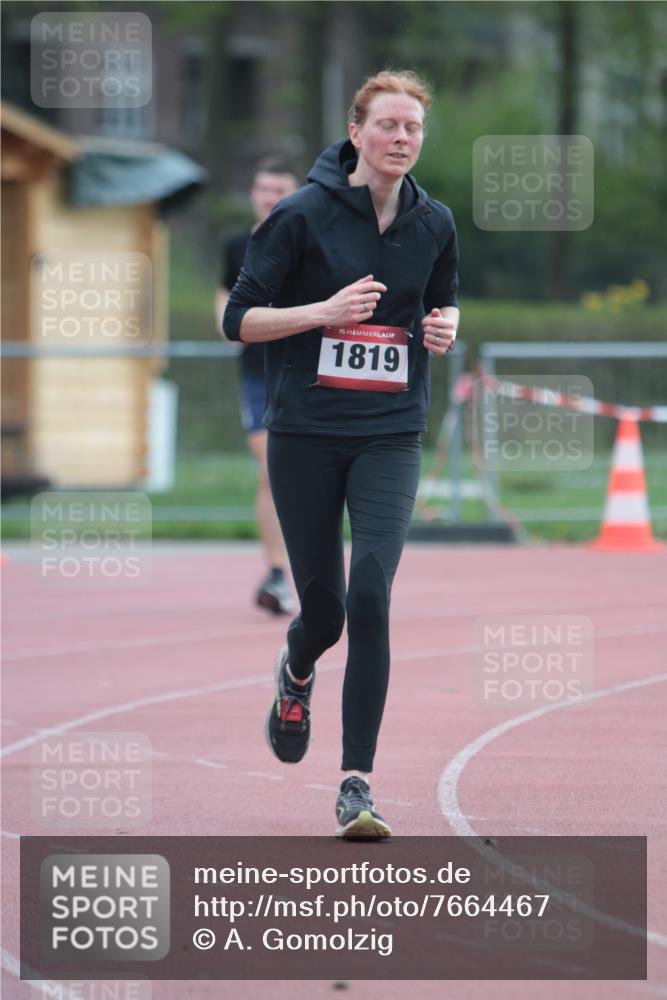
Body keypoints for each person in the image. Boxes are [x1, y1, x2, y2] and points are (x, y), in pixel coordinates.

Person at [224, 71, 459, 839]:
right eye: (388, 125)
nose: (401, 139)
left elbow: (443, 299)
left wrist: (443, 327)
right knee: (322, 613)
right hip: (306, 435)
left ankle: (356, 783)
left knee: (371, 595)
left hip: (389, 431)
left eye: (413, 129)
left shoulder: (434, 223)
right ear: (355, 132)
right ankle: (296, 674)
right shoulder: (298, 216)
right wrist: (321, 314)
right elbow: (238, 319)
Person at [216, 156, 300, 615]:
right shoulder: (235, 244)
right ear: (253, 193)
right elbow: (224, 292)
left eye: (279, 190)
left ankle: (317, 571)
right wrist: (228, 325)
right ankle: (275, 573)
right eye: (263, 189)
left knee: (309, 476)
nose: (270, 198)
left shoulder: (311, 238)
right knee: (271, 470)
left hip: (305, 368)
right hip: (256, 371)